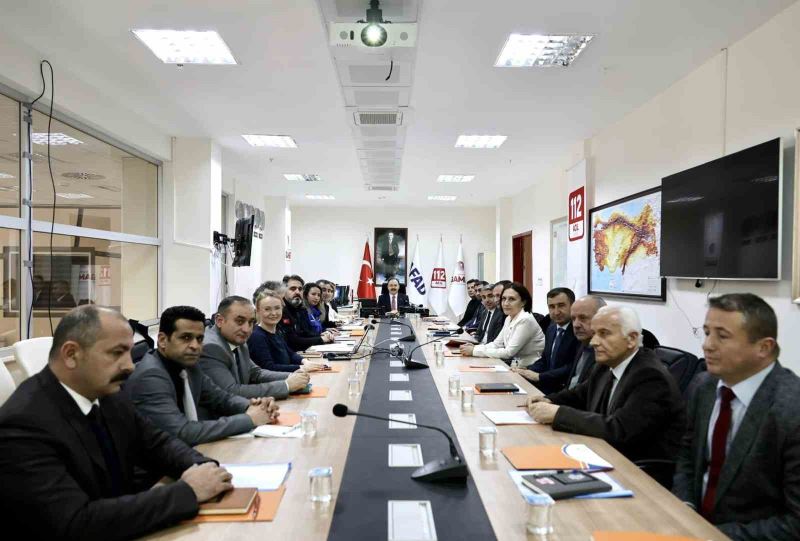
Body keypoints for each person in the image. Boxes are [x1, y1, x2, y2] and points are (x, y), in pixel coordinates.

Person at [0, 306, 234, 540]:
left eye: (129, 353)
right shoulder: (23, 425)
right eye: (116, 353)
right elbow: (76, 523)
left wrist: (204, 468)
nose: (130, 366)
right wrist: (189, 491)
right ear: (71, 354)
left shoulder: (107, 394)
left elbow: (158, 444)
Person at [672, 294, 800, 539]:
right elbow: (688, 456)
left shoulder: (792, 408)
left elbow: (795, 523)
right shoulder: (704, 385)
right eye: (707, 332)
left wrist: (707, 534)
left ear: (764, 347)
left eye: (722, 336)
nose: (707, 345)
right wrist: (684, 509)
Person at [527, 306, 685, 487]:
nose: (594, 341)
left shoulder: (650, 376)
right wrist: (549, 400)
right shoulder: (607, 363)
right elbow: (580, 394)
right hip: (601, 456)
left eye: (604, 334)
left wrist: (557, 414)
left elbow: (619, 429)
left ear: (632, 339)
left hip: (637, 475)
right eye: (594, 334)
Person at [125, 305, 281, 446]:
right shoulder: (150, 376)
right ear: (162, 340)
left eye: (199, 339)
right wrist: (250, 419)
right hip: (156, 473)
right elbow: (182, 432)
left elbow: (221, 398)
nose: (195, 346)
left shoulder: (190, 365)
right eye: (186, 338)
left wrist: (254, 407)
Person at [199, 296, 310, 400]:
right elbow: (231, 391)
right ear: (219, 321)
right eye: (240, 321)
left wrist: (293, 376)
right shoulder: (211, 347)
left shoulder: (237, 338)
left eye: (251, 322)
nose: (247, 329)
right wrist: (286, 385)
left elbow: (256, 373)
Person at [461, 282, 545, 367]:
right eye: (504, 299)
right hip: (516, 366)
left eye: (511, 299)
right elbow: (497, 344)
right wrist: (475, 348)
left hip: (531, 369)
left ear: (523, 302)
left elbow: (508, 353)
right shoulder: (509, 318)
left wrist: (474, 351)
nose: (506, 303)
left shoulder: (525, 319)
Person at [514, 287, 581, 394]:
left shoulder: (578, 331)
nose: (556, 312)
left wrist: (540, 376)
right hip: (547, 385)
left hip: (565, 390)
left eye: (561, 305)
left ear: (573, 306)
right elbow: (545, 360)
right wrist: (527, 370)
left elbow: (572, 367)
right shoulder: (551, 328)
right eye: (551, 307)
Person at [249, 290, 325, 373]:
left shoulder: (277, 331)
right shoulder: (257, 336)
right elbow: (268, 368)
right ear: (258, 311)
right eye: (267, 309)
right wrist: (301, 367)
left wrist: (304, 361)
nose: (274, 313)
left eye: (277, 308)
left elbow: (290, 353)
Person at [278, 275, 334, 352]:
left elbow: (305, 333)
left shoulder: (300, 309)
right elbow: (292, 341)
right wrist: (320, 339)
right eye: (293, 289)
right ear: (284, 291)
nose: (297, 292)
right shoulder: (281, 310)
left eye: (300, 289)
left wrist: (321, 335)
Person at [564, 295, 607, 390]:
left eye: (583, 318)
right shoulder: (582, 343)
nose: (575, 325)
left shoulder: (606, 353)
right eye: (573, 319)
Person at [462, 283, 504, 348]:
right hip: (480, 346)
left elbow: (495, 342)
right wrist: (471, 341)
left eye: (490, 296)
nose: (487, 300)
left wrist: (476, 348)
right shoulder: (485, 312)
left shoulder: (501, 314)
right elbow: (478, 334)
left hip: (488, 349)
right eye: (484, 297)